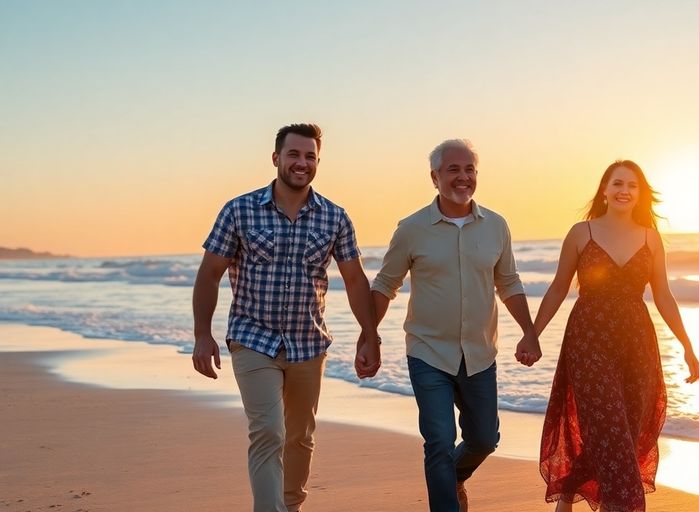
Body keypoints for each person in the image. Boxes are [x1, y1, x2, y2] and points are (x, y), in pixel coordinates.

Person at [191, 123, 379, 512]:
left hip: (308, 343)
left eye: (310, 156)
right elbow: (209, 274)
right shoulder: (239, 210)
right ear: (276, 158)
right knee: (268, 432)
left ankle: (291, 506)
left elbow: (355, 280)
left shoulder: (334, 217)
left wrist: (370, 334)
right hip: (252, 339)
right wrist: (202, 335)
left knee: (300, 438)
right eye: (294, 154)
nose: (302, 163)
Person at [363, 139, 542, 512]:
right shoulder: (411, 229)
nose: (463, 177)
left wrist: (529, 331)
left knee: (483, 439)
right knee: (439, 442)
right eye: (453, 170)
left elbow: (508, 282)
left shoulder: (496, 226)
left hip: (479, 353)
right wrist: (369, 336)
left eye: (470, 169)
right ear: (435, 177)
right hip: (429, 352)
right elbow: (384, 285)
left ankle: (457, 476)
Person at [534, 160, 699, 512]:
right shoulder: (582, 233)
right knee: (611, 433)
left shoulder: (650, 238)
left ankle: (567, 491)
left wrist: (687, 345)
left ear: (640, 194)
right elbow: (558, 288)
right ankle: (623, 505)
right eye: (618, 183)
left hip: (637, 344)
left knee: (627, 432)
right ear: (605, 191)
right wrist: (532, 335)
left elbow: (664, 295)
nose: (625, 190)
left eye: (633, 185)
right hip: (589, 340)